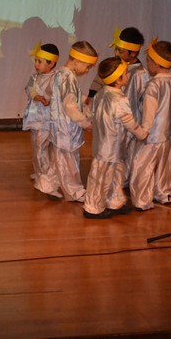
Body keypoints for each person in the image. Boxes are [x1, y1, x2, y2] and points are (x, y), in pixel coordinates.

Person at [83, 57, 149, 219]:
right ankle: (92, 207)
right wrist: (142, 134)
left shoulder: (100, 94)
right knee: (100, 177)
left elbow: (91, 113)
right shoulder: (120, 99)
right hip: (108, 147)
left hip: (110, 145)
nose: (128, 75)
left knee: (115, 173)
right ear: (118, 80)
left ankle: (114, 201)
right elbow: (130, 123)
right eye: (125, 73)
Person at [34, 41, 98, 202]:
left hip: (60, 127)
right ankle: (75, 192)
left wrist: (84, 99)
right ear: (78, 61)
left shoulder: (60, 74)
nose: (87, 70)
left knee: (59, 160)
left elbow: (68, 96)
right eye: (88, 66)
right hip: (66, 128)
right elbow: (70, 106)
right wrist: (86, 123)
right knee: (69, 162)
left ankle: (46, 184)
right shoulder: (68, 78)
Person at [87, 27, 149, 189]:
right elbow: (99, 80)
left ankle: (119, 187)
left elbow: (144, 100)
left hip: (129, 121)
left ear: (133, 53)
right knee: (110, 157)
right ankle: (109, 189)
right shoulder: (114, 64)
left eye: (120, 51)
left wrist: (142, 126)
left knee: (125, 155)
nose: (116, 53)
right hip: (111, 124)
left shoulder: (140, 74)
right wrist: (91, 95)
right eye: (116, 49)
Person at [129, 39, 171, 210]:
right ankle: (165, 193)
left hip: (153, 135)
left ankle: (142, 200)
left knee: (142, 166)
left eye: (149, 61)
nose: (147, 64)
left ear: (157, 64)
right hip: (170, 134)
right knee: (166, 166)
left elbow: (149, 112)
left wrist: (143, 131)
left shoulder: (153, 85)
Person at [22, 42, 59, 184]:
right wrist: (36, 96)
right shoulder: (34, 77)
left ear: (51, 63)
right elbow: (29, 88)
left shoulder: (56, 78)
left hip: (47, 120)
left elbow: (57, 95)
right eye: (36, 61)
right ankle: (40, 172)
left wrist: (48, 99)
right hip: (35, 118)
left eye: (40, 61)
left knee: (42, 146)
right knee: (36, 146)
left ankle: (45, 176)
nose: (36, 64)